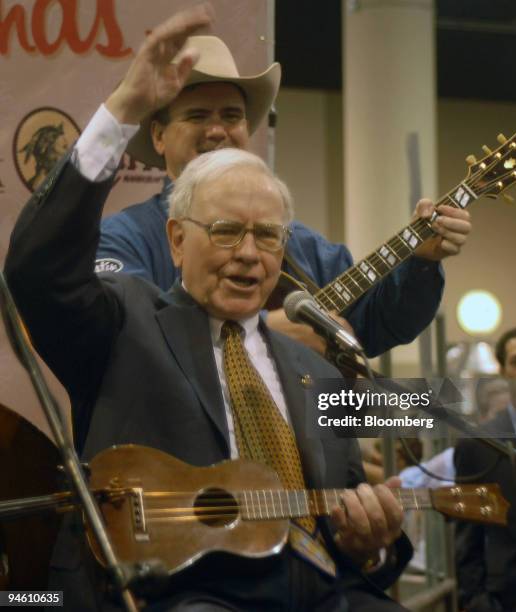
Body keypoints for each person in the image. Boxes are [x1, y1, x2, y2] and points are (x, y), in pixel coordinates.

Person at [4, 9, 419, 611]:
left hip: (323, 589)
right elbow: (38, 273)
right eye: (225, 231)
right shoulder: (126, 324)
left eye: (267, 237)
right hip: (184, 590)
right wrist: (121, 108)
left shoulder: (322, 373)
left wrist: (373, 544)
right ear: (177, 240)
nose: (249, 256)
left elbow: (353, 523)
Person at [88, 7, 472, 358]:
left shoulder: (304, 246)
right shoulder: (124, 238)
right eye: (198, 115)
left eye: (232, 116)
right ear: (159, 136)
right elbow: (130, 333)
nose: (218, 130)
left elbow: (379, 324)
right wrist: (262, 334)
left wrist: (421, 263)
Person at [454, 326, 516, 612]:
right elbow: (467, 536)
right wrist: (475, 601)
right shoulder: (478, 444)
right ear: (503, 370)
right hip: (506, 599)